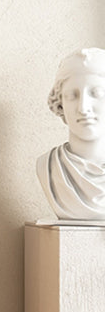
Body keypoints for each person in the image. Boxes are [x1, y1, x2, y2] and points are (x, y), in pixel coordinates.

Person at [37, 48, 105, 219]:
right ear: (59, 103)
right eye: (71, 95)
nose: (83, 107)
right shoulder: (48, 166)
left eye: (96, 94)